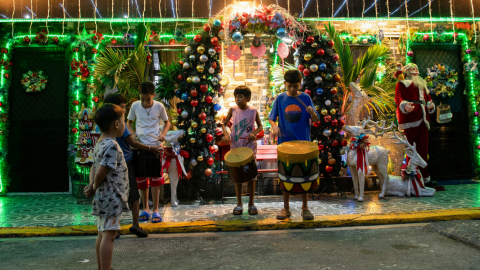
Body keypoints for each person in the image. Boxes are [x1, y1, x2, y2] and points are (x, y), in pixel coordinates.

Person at [104, 94, 162, 237]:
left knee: (114, 195)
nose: (124, 111)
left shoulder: (104, 124)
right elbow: (133, 143)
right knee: (134, 195)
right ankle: (135, 224)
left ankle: (114, 228)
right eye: (122, 108)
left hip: (109, 162)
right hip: (125, 162)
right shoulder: (120, 124)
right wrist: (150, 148)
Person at [268, 70, 319, 221]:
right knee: (285, 176)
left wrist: (312, 113)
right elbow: (272, 118)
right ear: (285, 84)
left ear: (300, 83)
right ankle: (286, 208)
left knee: (305, 175)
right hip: (285, 145)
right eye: (289, 86)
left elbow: (316, 119)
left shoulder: (306, 98)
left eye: (296, 86)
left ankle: (305, 208)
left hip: (303, 143)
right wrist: (274, 127)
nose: (292, 89)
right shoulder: (280, 99)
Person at [84, 103, 129, 270]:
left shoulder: (100, 144)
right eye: (123, 121)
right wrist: (94, 186)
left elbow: (93, 168)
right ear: (116, 124)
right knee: (110, 235)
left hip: (104, 196)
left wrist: (92, 185)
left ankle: (102, 267)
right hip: (111, 197)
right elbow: (101, 171)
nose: (124, 125)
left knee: (102, 233)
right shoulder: (111, 145)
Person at [127, 82, 170, 223]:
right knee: (141, 179)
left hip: (155, 145)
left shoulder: (159, 106)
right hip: (140, 145)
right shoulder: (135, 106)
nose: (145, 102)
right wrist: (132, 134)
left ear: (153, 95)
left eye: (148, 99)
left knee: (156, 179)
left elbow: (167, 122)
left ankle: (156, 210)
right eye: (142, 99)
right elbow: (129, 122)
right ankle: (145, 208)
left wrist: (163, 134)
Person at [222, 86, 263, 215]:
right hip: (236, 146)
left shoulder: (253, 111)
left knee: (251, 176)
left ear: (247, 98)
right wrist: (227, 135)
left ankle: (251, 204)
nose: (237, 99)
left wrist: (254, 133)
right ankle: (239, 204)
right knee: (237, 175)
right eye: (236, 97)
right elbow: (224, 124)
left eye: (240, 97)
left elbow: (260, 126)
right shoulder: (233, 110)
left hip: (249, 147)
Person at [394, 63, 435, 184]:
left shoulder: (422, 85)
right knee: (411, 148)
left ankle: (424, 176)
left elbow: (427, 99)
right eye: (412, 69)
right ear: (406, 72)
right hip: (410, 118)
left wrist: (430, 105)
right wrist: (405, 105)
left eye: (416, 68)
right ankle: (411, 177)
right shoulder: (401, 84)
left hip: (423, 118)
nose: (416, 71)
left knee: (423, 148)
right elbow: (398, 99)